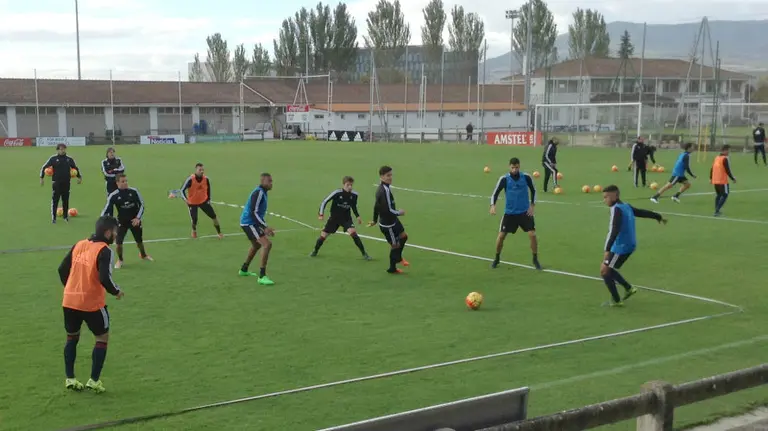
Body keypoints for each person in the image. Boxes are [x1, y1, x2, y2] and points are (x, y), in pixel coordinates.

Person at [58, 216, 125, 393]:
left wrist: (72, 287)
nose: (116, 235)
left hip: (69, 300)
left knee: (71, 337)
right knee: (102, 338)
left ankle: (70, 378)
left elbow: (61, 269)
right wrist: (116, 291)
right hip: (92, 304)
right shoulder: (105, 250)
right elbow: (105, 277)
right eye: (115, 232)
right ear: (108, 232)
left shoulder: (79, 244)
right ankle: (94, 380)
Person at [601, 185, 667, 306]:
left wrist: (607, 250)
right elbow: (641, 212)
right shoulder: (626, 206)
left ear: (615, 196)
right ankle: (628, 288)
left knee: (605, 271)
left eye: (606, 197)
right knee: (609, 269)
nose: (604, 200)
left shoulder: (617, 209)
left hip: (620, 247)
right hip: (630, 245)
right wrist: (657, 216)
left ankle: (617, 300)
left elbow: (614, 231)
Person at [490, 157, 541, 270]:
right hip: (510, 213)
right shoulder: (504, 179)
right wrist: (493, 205)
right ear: (509, 167)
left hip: (524, 212)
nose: (514, 170)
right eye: (512, 168)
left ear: (519, 166)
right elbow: (495, 193)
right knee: (501, 236)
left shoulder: (526, 177)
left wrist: (532, 206)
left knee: (532, 235)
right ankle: (497, 258)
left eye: (516, 167)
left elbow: (534, 190)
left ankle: (535, 259)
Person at [311, 176, 371, 260]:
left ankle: (364, 254)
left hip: (346, 218)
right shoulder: (337, 193)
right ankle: (315, 251)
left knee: (354, 233)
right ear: (343, 185)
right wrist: (321, 214)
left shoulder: (354, 195)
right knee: (323, 236)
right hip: (334, 218)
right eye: (348, 185)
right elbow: (325, 201)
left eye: (351, 185)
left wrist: (357, 216)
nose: (350, 187)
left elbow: (353, 206)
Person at [100, 174, 152, 268]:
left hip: (134, 221)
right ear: (117, 183)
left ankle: (143, 255)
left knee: (139, 241)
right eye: (123, 181)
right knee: (119, 243)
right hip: (121, 222)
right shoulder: (113, 195)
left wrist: (138, 218)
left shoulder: (134, 191)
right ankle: (120, 260)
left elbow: (142, 205)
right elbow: (106, 209)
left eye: (126, 181)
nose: (125, 183)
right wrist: (102, 221)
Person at [368, 166, 409, 274]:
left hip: (393, 220)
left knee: (404, 236)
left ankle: (398, 257)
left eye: (391, 175)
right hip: (388, 224)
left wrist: (374, 220)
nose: (390, 177)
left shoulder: (384, 188)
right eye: (388, 175)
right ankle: (392, 268)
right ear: (381, 177)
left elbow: (376, 205)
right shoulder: (383, 190)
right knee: (395, 245)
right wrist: (399, 212)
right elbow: (389, 209)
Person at [238, 173, 275, 285]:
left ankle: (244, 269)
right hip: (249, 223)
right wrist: (265, 227)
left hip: (251, 222)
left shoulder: (262, 192)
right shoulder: (258, 193)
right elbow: (253, 212)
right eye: (269, 181)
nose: (271, 184)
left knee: (256, 245)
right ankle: (262, 276)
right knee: (267, 244)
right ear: (263, 181)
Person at [40, 143, 82, 223]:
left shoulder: (69, 159)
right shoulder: (53, 159)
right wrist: (41, 177)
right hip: (56, 183)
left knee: (65, 200)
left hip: (66, 183)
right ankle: (54, 218)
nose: (62, 150)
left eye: (63, 149)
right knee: (55, 200)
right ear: (58, 150)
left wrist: (79, 177)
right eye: (60, 149)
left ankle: (65, 217)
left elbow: (75, 168)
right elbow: (44, 167)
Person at [181, 163, 222, 239]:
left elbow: (208, 189)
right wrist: (186, 200)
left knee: (214, 216)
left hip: (203, 201)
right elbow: (182, 190)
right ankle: (194, 230)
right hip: (192, 203)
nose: (202, 171)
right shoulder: (190, 179)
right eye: (200, 170)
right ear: (196, 170)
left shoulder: (206, 179)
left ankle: (219, 233)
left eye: (203, 170)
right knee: (194, 219)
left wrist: (208, 199)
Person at [710, 145, 737, 216]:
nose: (729, 152)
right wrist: (733, 178)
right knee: (725, 194)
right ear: (725, 150)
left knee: (719, 195)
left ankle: (717, 210)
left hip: (715, 180)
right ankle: (717, 211)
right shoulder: (725, 159)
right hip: (722, 180)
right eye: (728, 150)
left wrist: (711, 178)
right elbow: (727, 170)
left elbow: (712, 169)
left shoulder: (716, 158)